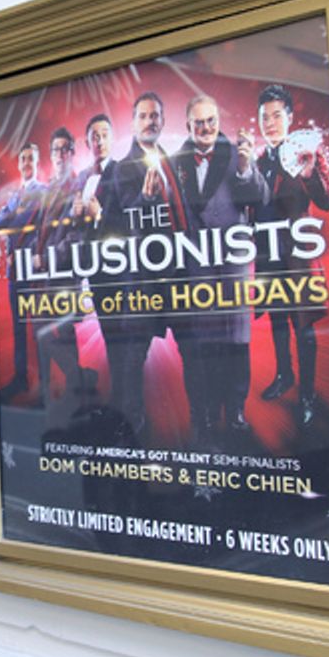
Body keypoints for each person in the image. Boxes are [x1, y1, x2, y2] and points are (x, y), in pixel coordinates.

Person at [171, 94, 268, 446]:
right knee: (206, 346)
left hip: (232, 266)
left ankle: (237, 410)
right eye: (199, 122)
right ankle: (210, 414)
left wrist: (246, 168)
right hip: (196, 268)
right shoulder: (174, 162)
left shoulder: (235, 155)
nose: (206, 128)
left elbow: (260, 199)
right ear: (188, 125)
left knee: (237, 342)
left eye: (211, 120)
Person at [103, 92, 188, 432]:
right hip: (143, 279)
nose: (150, 121)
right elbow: (124, 218)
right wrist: (146, 199)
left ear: (163, 121)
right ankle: (130, 425)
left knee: (193, 350)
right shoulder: (124, 167)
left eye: (155, 115)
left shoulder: (172, 161)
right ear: (134, 122)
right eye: (144, 116)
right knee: (132, 355)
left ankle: (203, 426)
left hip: (179, 274)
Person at [255, 84, 329, 425]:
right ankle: (284, 375)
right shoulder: (257, 161)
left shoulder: (305, 155)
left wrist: (309, 175)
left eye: (276, 116)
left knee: (304, 328)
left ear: (289, 118)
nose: (270, 123)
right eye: (264, 117)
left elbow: (327, 201)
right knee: (277, 323)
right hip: (268, 256)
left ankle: (307, 394)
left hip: (299, 258)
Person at [33, 128, 85, 418]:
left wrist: (51, 257)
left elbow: (78, 236)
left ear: (72, 153)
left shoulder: (78, 185)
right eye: (56, 149)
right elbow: (42, 229)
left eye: (66, 149)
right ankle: (76, 381)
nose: (61, 154)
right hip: (46, 274)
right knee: (47, 332)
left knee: (63, 334)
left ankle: (77, 388)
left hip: (63, 272)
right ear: (51, 155)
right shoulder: (50, 186)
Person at [0, 142, 46, 399]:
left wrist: (17, 214)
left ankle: (44, 382)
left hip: (34, 269)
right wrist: (18, 211)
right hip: (16, 271)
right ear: (19, 164)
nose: (27, 163)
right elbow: (0, 223)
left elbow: (37, 225)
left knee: (39, 328)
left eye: (31, 159)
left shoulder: (43, 191)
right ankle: (21, 378)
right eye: (23, 159)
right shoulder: (16, 195)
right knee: (18, 327)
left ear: (37, 163)